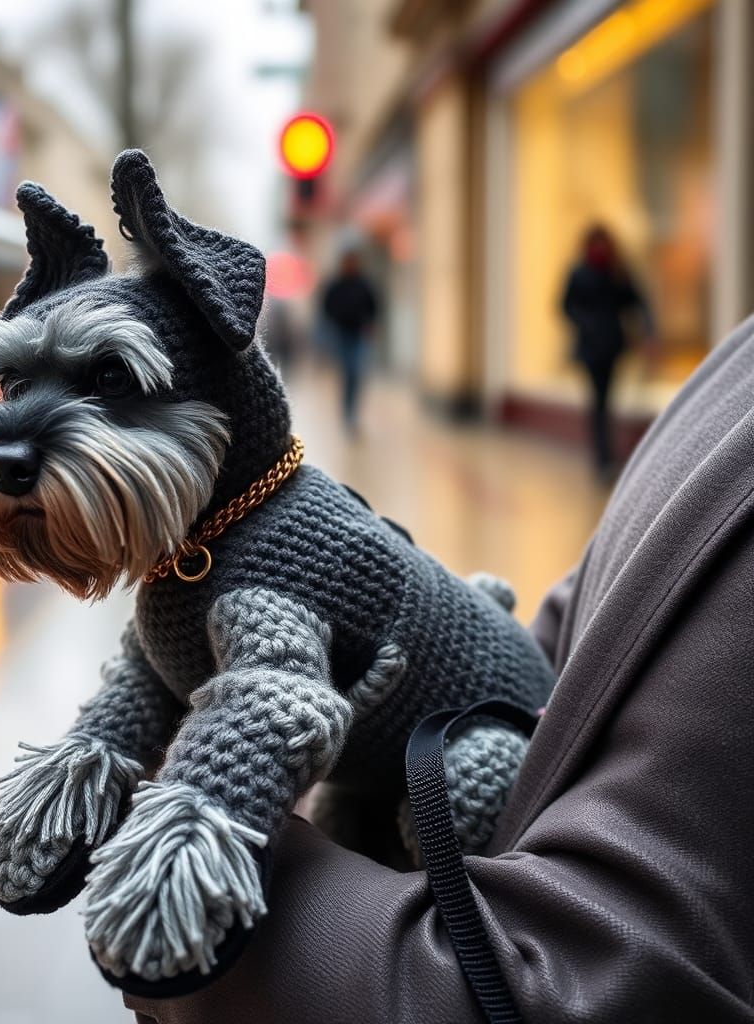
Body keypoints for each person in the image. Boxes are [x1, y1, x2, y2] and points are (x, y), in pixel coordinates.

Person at [127, 313, 754, 1021]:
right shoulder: (733, 357)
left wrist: (189, 887)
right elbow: (591, 624)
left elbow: (612, 980)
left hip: (464, 845)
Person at [561, 225, 654, 478]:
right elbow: (565, 306)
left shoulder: (617, 272)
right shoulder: (579, 273)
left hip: (612, 347)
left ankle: (606, 456)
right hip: (591, 350)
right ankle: (602, 458)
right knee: (599, 402)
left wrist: (648, 332)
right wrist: (587, 322)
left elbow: (638, 301)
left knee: (605, 401)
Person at [320, 249, 379, 433]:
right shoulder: (336, 285)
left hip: (358, 334)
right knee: (348, 372)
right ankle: (347, 413)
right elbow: (326, 305)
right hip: (341, 334)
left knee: (356, 372)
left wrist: (371, 323)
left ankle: (352, 412)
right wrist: (332, 323)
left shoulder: (363, 284)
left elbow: (374, 305)